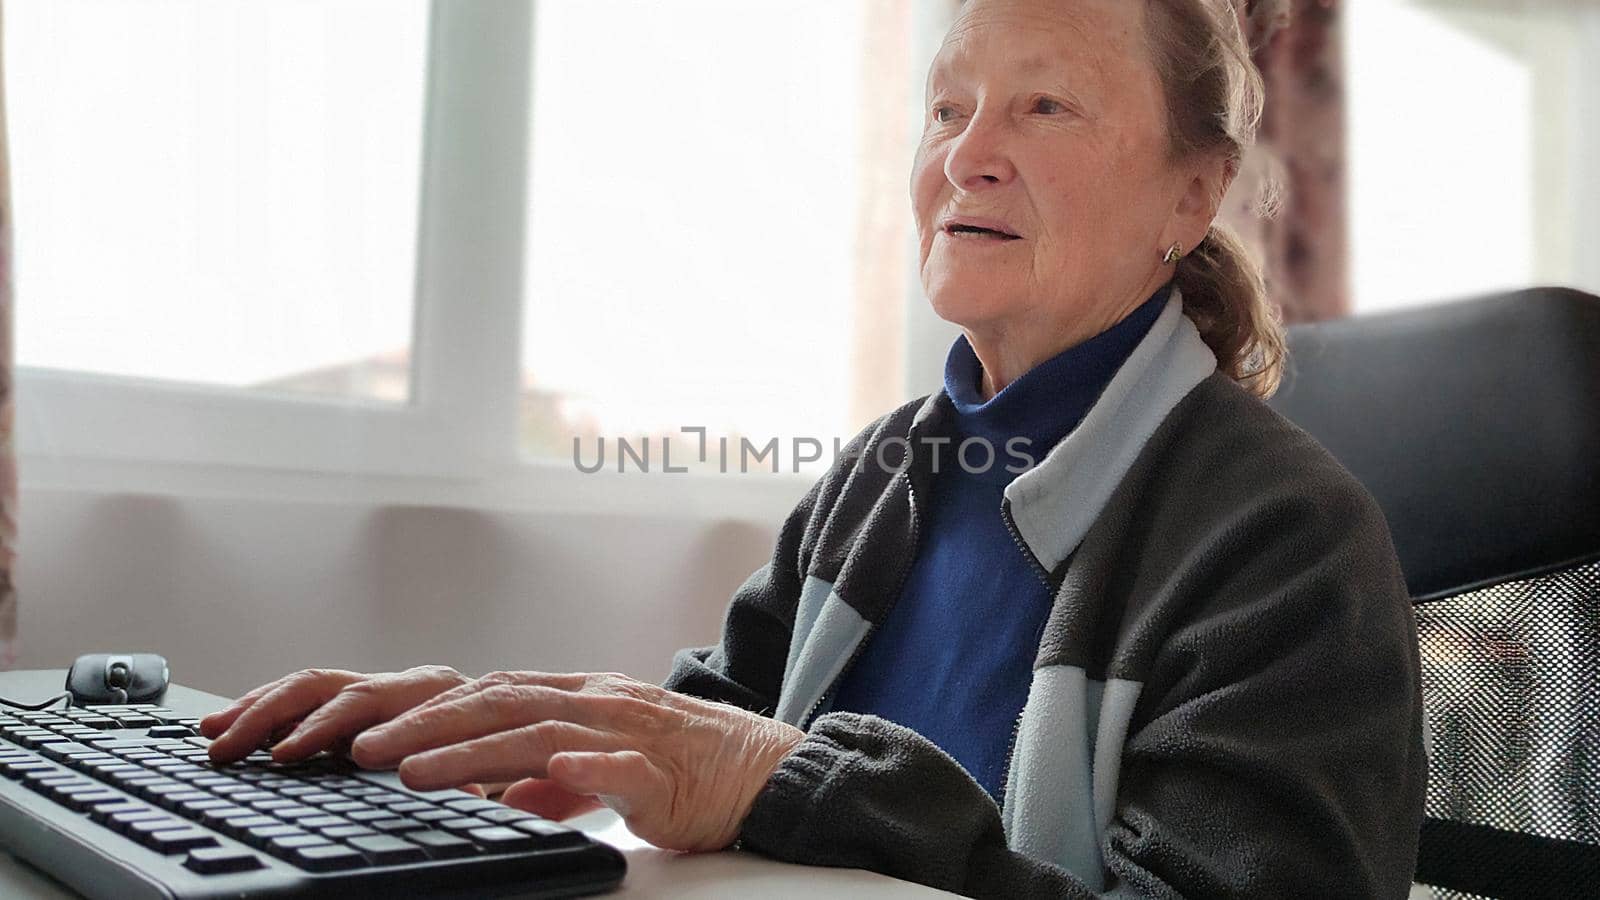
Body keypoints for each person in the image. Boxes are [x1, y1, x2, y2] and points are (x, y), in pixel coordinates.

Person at [199, 0, 1426, 896]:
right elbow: (716, 733)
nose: (964, 153)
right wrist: (492, 734)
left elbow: (765, 774)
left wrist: (786, 784)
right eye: (946, 108)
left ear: (1191, 193)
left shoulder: (1288, 539)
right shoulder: (882, 472)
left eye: (1043, 104)